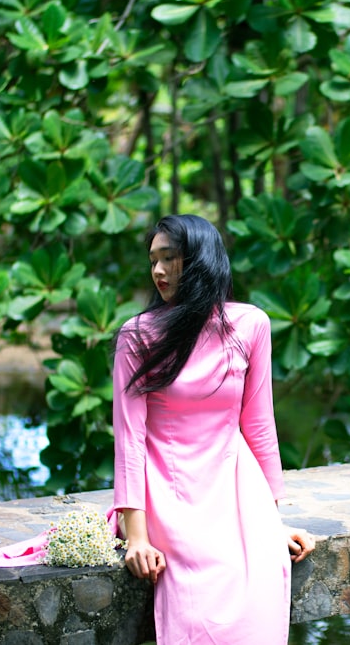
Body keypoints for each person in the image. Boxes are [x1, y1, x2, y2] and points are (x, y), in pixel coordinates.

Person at [111, 214, 314, 644]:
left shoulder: (251, 324)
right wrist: (136, 537)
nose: (159, 271)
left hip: (234, 486)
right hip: (168, 487)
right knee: (197, 586)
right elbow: (129, 439)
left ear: (200, 261)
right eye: (153, 261)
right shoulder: (138, 336)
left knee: (262, 568)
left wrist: (270, 521)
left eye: (170, 259)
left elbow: (258, 425)